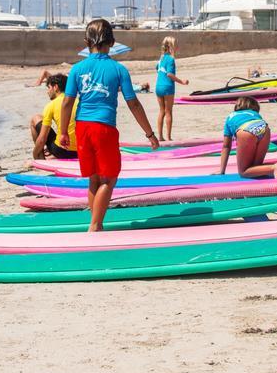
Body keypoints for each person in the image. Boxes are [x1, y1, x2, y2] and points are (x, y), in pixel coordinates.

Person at [60, 19, 158, 231]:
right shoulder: (118, 69)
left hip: (82, 127)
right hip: (104, 128)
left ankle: (95, 223)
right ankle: (95, 226)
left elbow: (67, 102)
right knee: (109, 179)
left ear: (86, 42)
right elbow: (133, 103)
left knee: (94, 179)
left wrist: (62, 132)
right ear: (112, 42)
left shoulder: (77, 69)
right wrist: (149, 134)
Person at [217, 97, 277, 178]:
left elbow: (226, 146)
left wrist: (222, 170)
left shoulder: (230, 116)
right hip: (264, 129)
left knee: (244, 172)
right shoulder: (254, 114)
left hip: (245, 129)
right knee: (256, 167)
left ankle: (275, 167)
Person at [31, 73, 78, 160]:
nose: (48, 91)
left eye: (49, 88)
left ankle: (40, 159)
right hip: (81, 151)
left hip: (62, 151)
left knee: (35, 118)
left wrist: (34, 153)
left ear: (55, 87)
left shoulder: (51, 105)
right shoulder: (78, 101)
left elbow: (42, 139)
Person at [154, 36, 188, 142]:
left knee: (161, 111)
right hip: (167, 87)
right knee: (168, 112)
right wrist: (181, 81)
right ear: (171, 47)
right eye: (175, 45)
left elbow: (158, 69)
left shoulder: (161, 59)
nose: (177, 47)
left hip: (158, 87)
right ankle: (168, 137)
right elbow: (169, 74)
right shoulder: (171, 59)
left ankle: (160, 136)